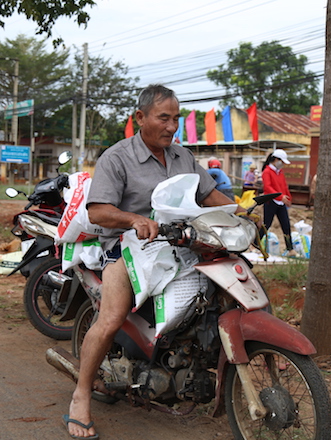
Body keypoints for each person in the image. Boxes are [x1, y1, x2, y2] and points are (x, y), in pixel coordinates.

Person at [66, 84, 244, 440]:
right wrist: (133, 220)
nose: (171, 126)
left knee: (234, 284)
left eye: (176, 119)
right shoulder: (116, 157)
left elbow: (210, 196)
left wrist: (239, 217)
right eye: (164, 118)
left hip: (181, 244)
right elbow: (99, 209)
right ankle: (81, 396)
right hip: (127, 245)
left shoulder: (183, 157)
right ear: (140, 118)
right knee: (112, 317)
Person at [261, 149, 296, 257]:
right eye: (282, 162)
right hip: (271, 201)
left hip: (281, 203)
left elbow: (284, 186)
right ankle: (256, 245)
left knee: (286, 226)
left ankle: (290, 249)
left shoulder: (279, 172)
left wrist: (288, 198)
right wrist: (281, 197)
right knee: (266, 225)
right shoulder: (267, 172)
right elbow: (267, 187)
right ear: (276, 159)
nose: (283, 165)